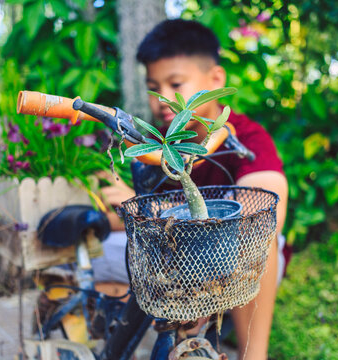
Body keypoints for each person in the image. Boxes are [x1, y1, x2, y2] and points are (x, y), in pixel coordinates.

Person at [98, 19, 289, 360]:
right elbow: (129, 221)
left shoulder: (244, 137)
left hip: (236, 261)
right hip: (167, 256)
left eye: (176, 83)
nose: (163, 100)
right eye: (154, 86)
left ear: (215, 80)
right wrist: (124, 205)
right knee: (101, 255)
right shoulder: (157, 145)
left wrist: (150, 211)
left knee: (259, 231)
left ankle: (253, 355)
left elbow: (264, 206)